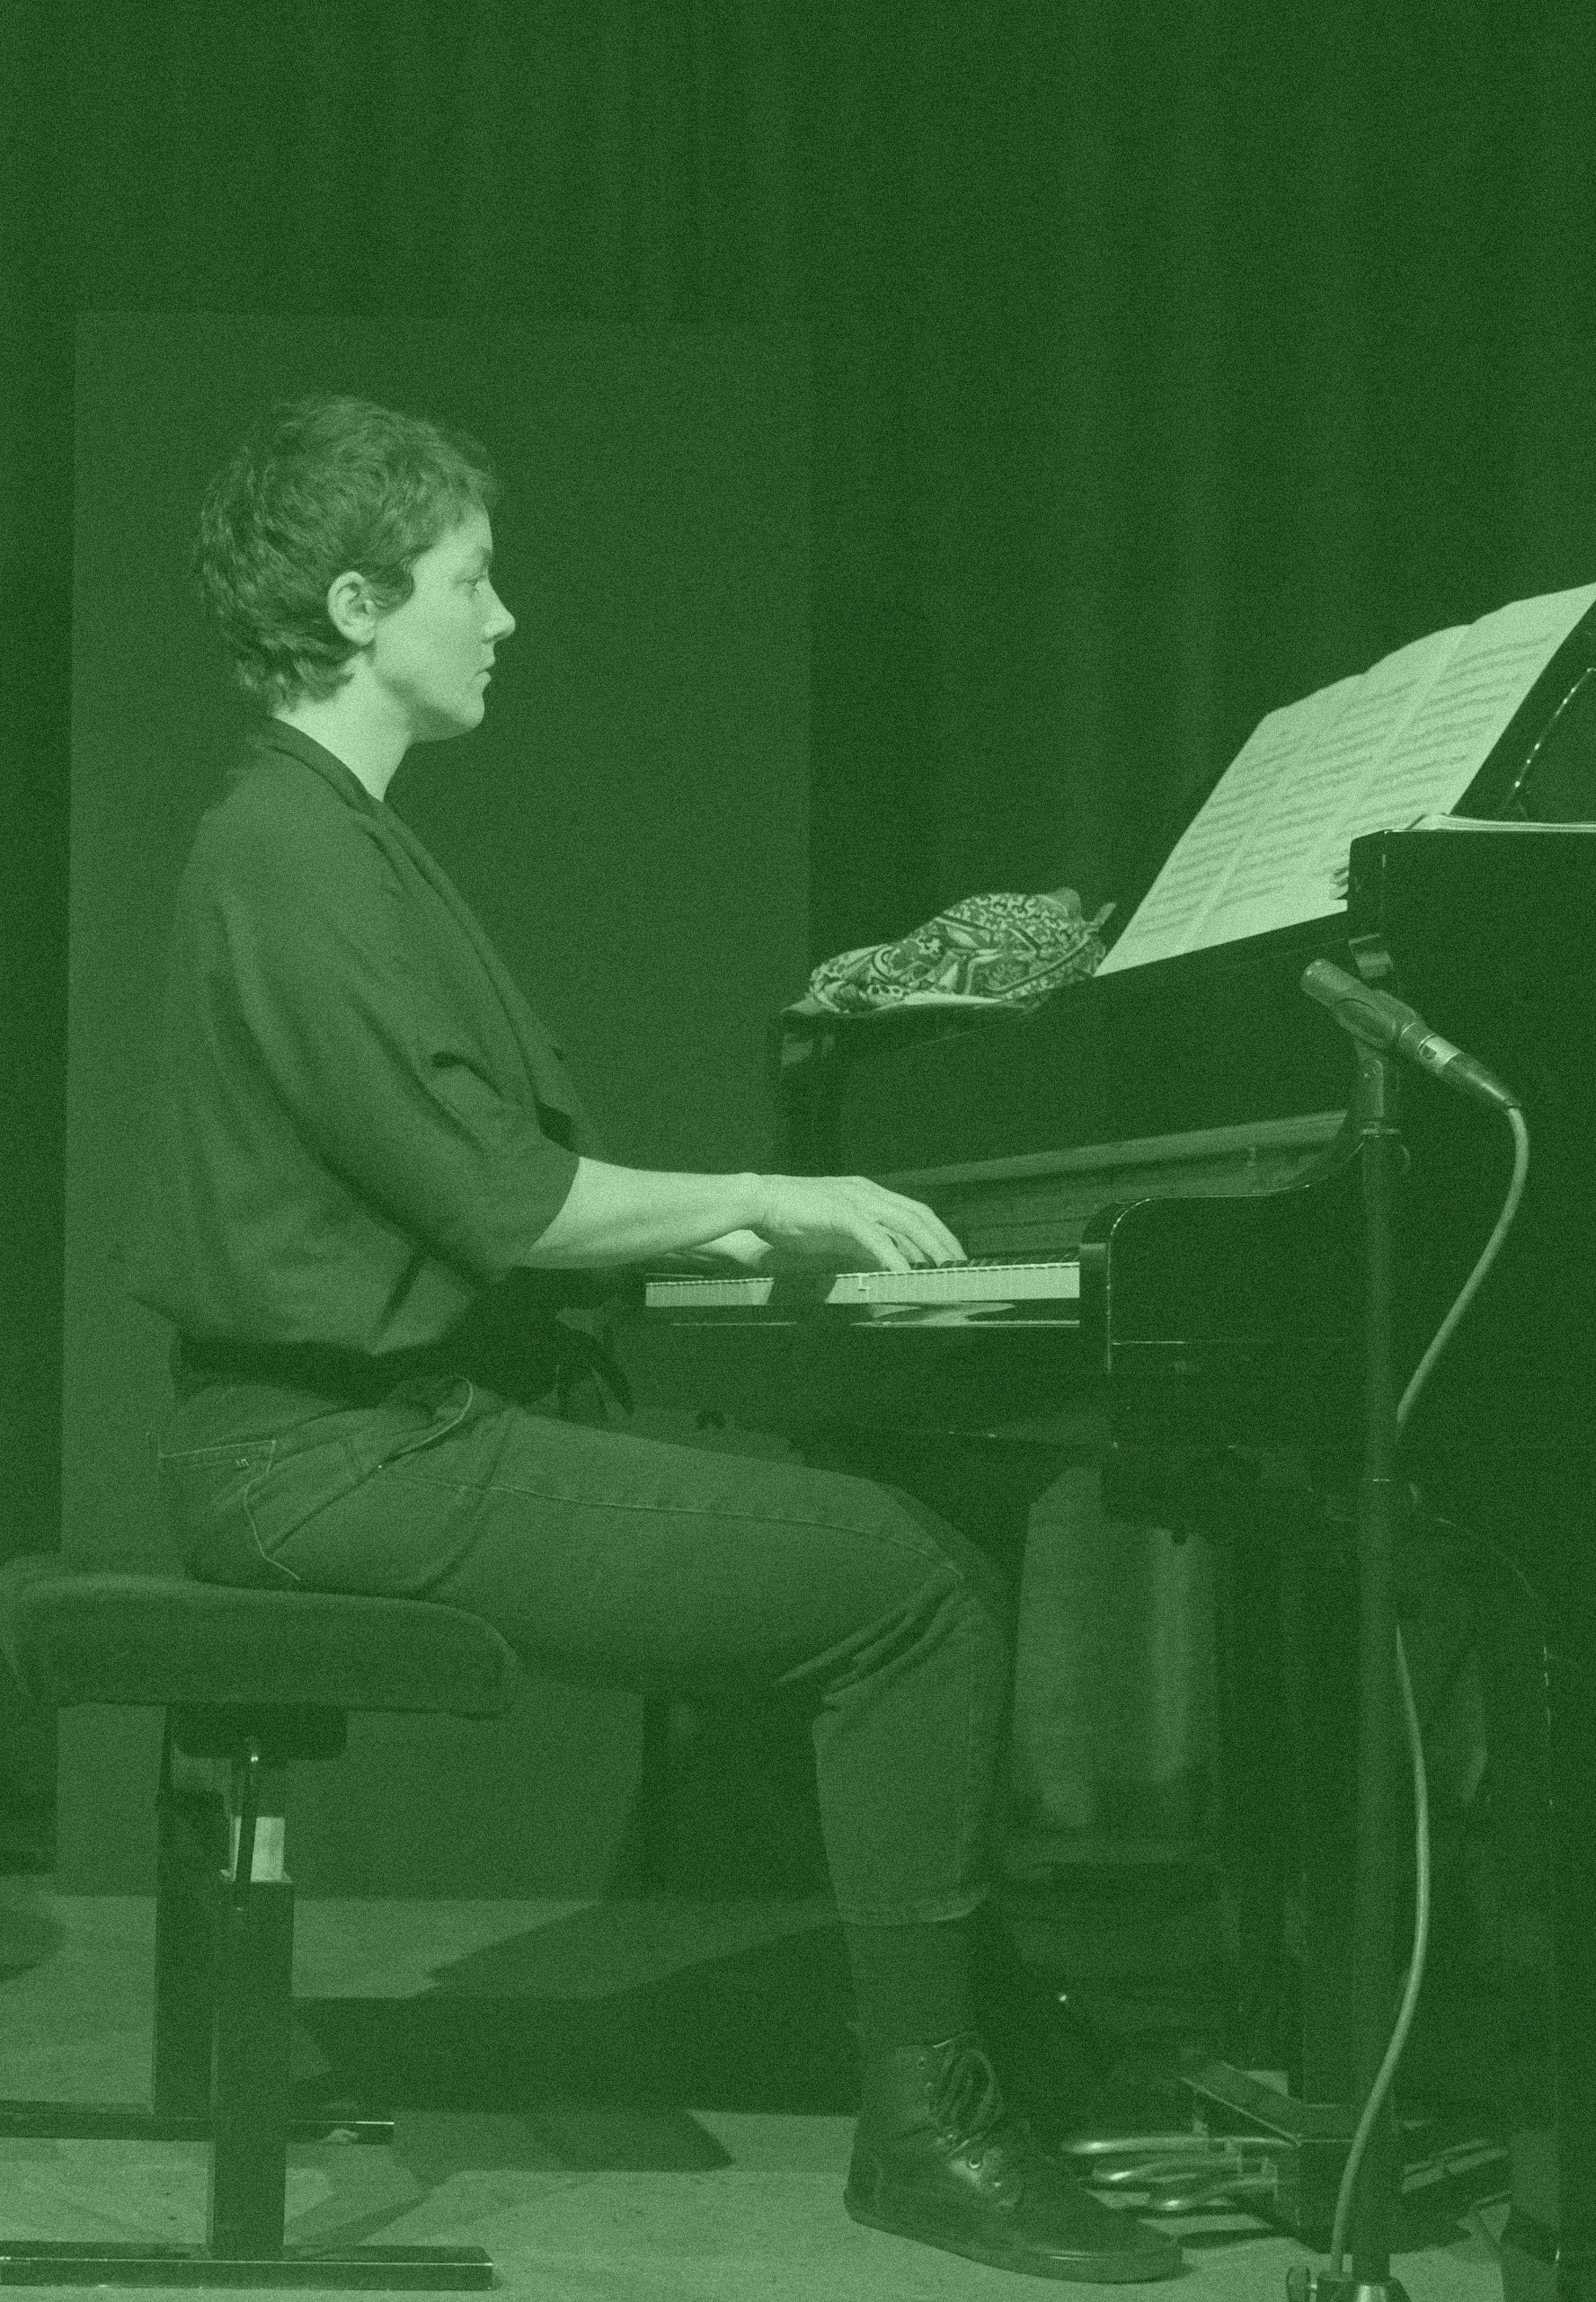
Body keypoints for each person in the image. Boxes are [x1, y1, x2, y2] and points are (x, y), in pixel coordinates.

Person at [131, 393, 1177, 2284]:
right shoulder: (290, 852)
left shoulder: (331, 837)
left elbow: (472, 1186)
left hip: (359, 1439)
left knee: (892, 1529)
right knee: (910, 1589)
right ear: (358, 605)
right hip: (335, 1465)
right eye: (469, 580)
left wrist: (730, 1238)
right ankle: (925, 2124)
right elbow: (502, 1200)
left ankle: (980, 2031)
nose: (505, 617)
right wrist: (766, 1198)